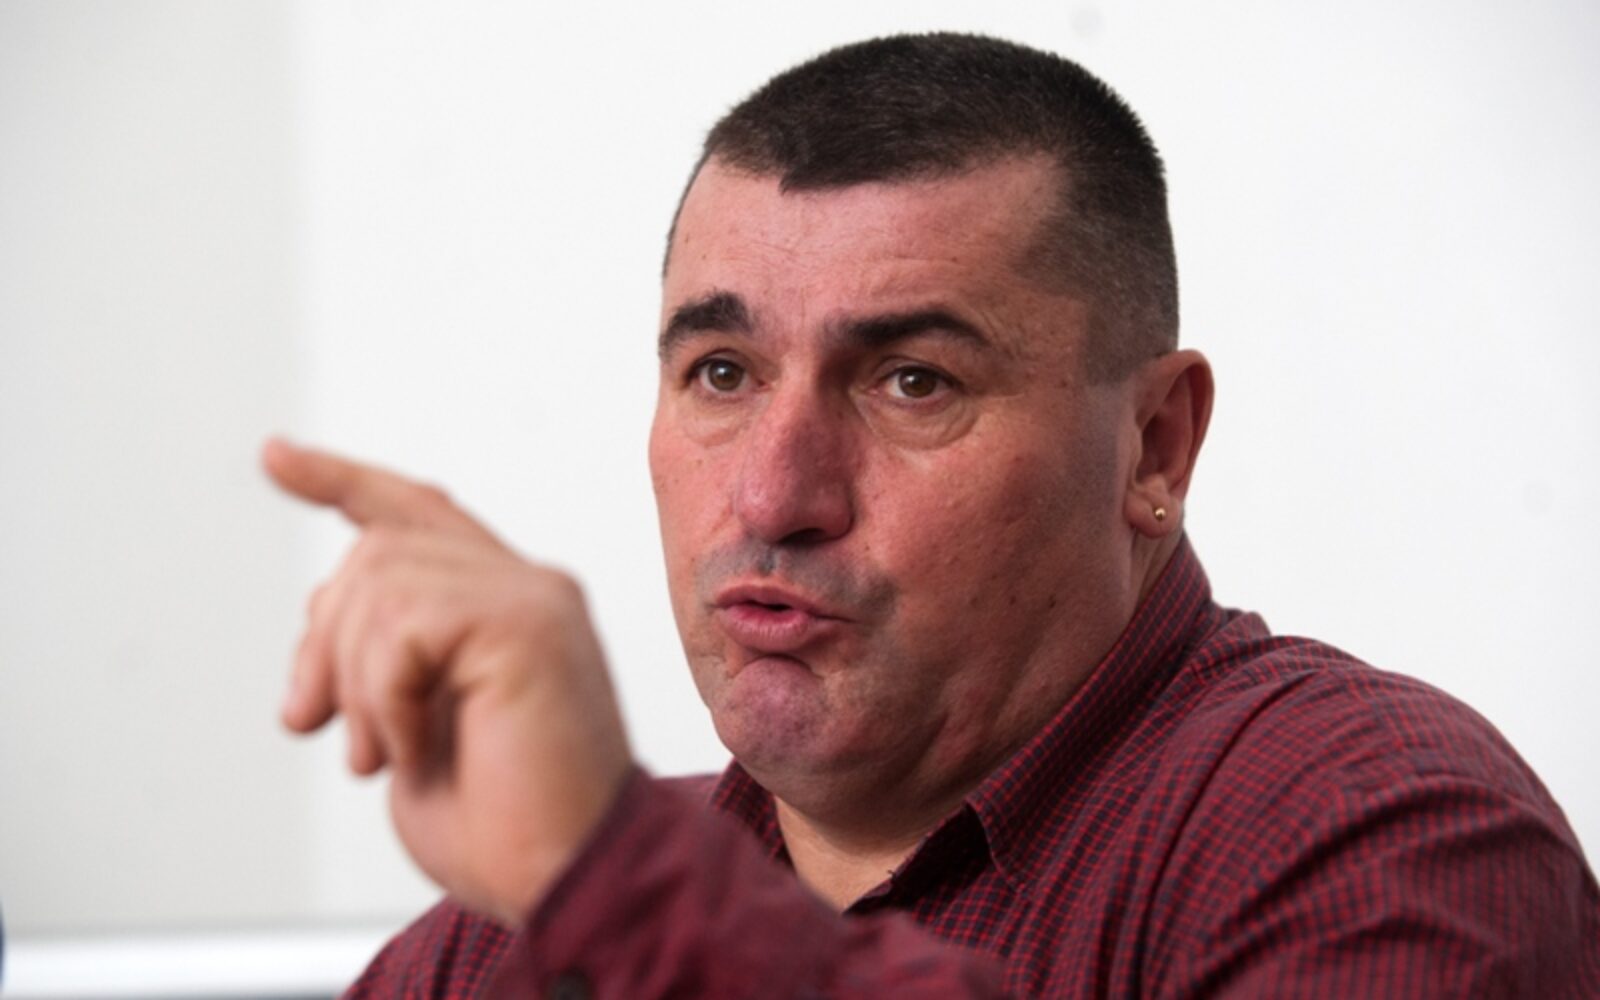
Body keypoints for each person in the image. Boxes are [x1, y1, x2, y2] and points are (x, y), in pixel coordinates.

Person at [263, 33, 1600, 998]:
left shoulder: (1378, 831)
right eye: (722, 374)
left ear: (1155, 445)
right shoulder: (487, 953)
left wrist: (622, 889)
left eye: (913, 381)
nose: (774, 496)